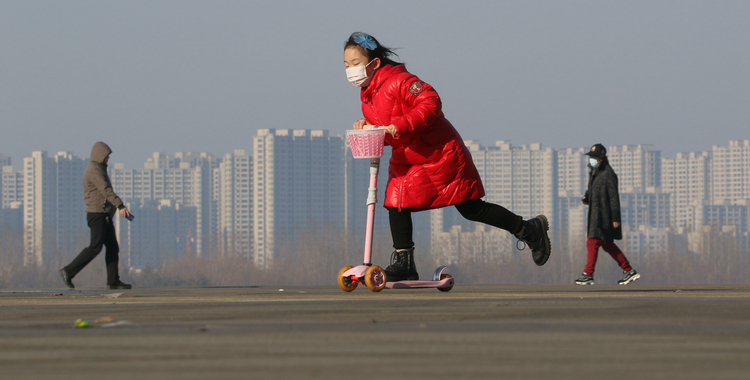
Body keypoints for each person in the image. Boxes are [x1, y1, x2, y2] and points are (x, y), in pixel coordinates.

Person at [344, 32, 551, 282]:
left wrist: (401, 124)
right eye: (346, 65)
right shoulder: (367, 96)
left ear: (374, 63)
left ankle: (528, 229)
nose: (351, 70)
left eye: (356, 64)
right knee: (395, 201)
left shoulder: (400, 80)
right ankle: (404, 262)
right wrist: (367, 127)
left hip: (439, 152)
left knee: (470, 207)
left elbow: (430, 102)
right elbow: (390, 132)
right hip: (408, 157)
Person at [59, 142, 132, 290]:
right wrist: (120, 206)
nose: (108, 159)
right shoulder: (94, 170)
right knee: (95, 247)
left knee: (112, 248)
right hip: (97, 215)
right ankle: (68, 271)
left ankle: (113, 281)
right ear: (100, 155)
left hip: (104, 215)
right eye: (107, 156)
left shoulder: (100, 168)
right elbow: (106, 190)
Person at [575, 143, 640, 285]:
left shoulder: (608, 174)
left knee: (592, 242)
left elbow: (613, 197)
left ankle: (588, 274)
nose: (591, 160)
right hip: (595, 215)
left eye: (593, 157)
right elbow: (592, 191)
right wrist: (587, 197)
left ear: (601, 158)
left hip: (603, 217)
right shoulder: (594, 173)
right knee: (607, 245)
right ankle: (628, 270)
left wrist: (615, 218)